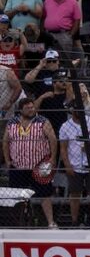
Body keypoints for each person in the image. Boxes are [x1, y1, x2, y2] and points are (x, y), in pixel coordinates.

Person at [3, 97, 58, 228]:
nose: (31, 109)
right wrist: (7, 160)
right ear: (20, 110)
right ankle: (18, 224)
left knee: (45, 195)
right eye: (27, 108)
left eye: (32, 107)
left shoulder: (43, 121)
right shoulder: (12, 123)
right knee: (17, 196)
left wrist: (52, 158)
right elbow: (5, 141)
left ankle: (51, 222)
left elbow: (53, 139)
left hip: (38, 166)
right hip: (18, 166)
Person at [58, 103, 90, 227]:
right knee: (74, 193)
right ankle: (74, 221)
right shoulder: (65, 126)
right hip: (74, 164)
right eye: (77, 109)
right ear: (72, 111)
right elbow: (63, 148)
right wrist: (67, 165)